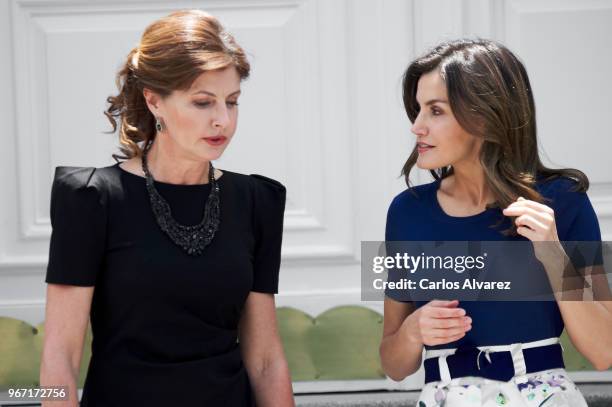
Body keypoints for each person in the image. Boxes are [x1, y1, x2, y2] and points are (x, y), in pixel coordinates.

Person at [39, 10, 294, 406]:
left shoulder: (256, 201)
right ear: (154, 100)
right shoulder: (91, 199)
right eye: (202, 102)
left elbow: (265, 360)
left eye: (232, 102)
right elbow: (60, 357)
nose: (222, 120)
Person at [379, 39, 612, 406]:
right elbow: (393, 364)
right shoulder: (406, 213)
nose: (417, 126)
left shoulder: (565, 202)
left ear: (485, 117)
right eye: (418, 109)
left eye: (435, 111)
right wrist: (412, 331)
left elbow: (604, 351)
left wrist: (553, 254)